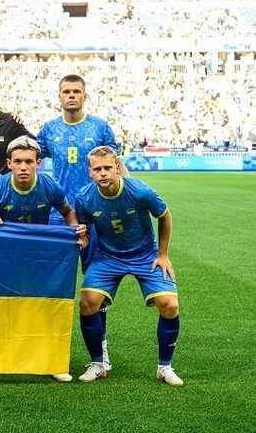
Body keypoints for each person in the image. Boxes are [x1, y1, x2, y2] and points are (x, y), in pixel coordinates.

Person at [36, 74, 130, 371]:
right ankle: (47, 349)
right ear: (59, 96)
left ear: (85, 96)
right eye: (66, 91)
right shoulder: (48, 129)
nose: (71, 95)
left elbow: (117, 165)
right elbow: (29, 157)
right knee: (51, 283)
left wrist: (129, 197)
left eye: (77, 91)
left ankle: (100, 352)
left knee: (96, 285)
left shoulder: (100, 127)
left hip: (96, 215)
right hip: (60, 216)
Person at [0, 136, 88, 382]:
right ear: (9, 163)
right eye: (17, 162)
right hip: (4, 255)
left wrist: (74, 230)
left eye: (28, 161)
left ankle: (51, 362)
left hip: (39, 256)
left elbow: (68, 212)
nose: (23, 167)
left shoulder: (48, 185)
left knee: (43, 306)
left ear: (38, 163)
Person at [74, 146, 182, 386]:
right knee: (88, 302)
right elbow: (85, 229)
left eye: (107, 168)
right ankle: (98, 364)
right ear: (90, 172)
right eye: (97, 169)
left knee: (170, 305)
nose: (103, 173)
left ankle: (164, 367)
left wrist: (163, 254)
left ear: (117, 167)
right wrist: (83, 238)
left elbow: (164, 215)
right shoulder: (84, 198)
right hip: (108, 256)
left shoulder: (139, 191)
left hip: (145, 255)